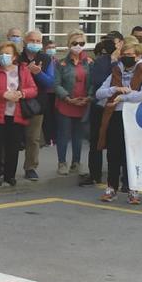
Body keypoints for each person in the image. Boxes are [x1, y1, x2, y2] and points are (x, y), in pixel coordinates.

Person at [95, 41, 142, 205]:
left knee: (132, 154)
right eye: (124, 55)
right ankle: (111, 188)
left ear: (137, 56)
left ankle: (132, 189)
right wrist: (115, 90)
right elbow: (99, 93)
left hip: (136, 118)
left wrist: (123, 97)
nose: (126, 58)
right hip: (116, 115)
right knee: (113, 153)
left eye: (130, 55)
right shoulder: (116, 71)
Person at [0, 42, 38, 186]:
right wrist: (3, 95)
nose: (4, 56)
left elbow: (33, 89)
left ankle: (10, 175)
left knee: (12, 147)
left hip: (16, 114)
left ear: (14, 56)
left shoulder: (23, 70)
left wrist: (22, 93)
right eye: (1, 53)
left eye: (7, 53)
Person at [79, 33, 123, 187]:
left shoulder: (128, 61)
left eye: (115, 42)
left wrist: (116, 62)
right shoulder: (101, 61)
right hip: (101, 106)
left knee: (117, 144)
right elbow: (97, 80)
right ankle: (94, 174)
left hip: (119, 108)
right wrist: (112, 63)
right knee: (96, 142)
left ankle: (121, 179)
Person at [53, 31, 93, 178]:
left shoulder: (89, 62)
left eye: (81, 43)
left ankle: (76, 162)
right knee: (63, 134)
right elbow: (56, 84)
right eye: (75, 43)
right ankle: (62, 162)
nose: (78, 46)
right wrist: (67, 98)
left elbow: (94, 82)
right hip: (66, 104)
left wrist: (89, 97)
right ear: (69, 44)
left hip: (83, 103)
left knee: (78, 135)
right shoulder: (61, 63)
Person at [19, 29, 54, 181]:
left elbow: (51, 82)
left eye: (38, 41)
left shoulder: (46, 58)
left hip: (37, 103)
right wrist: (26, 71)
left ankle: (31, 167)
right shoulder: (17, 57)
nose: (35, 44)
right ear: (25, 41)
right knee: (12, 137)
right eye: (32, 40)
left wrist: (38, 73)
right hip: (17, 100)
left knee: (33, 138)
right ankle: (4, 167)